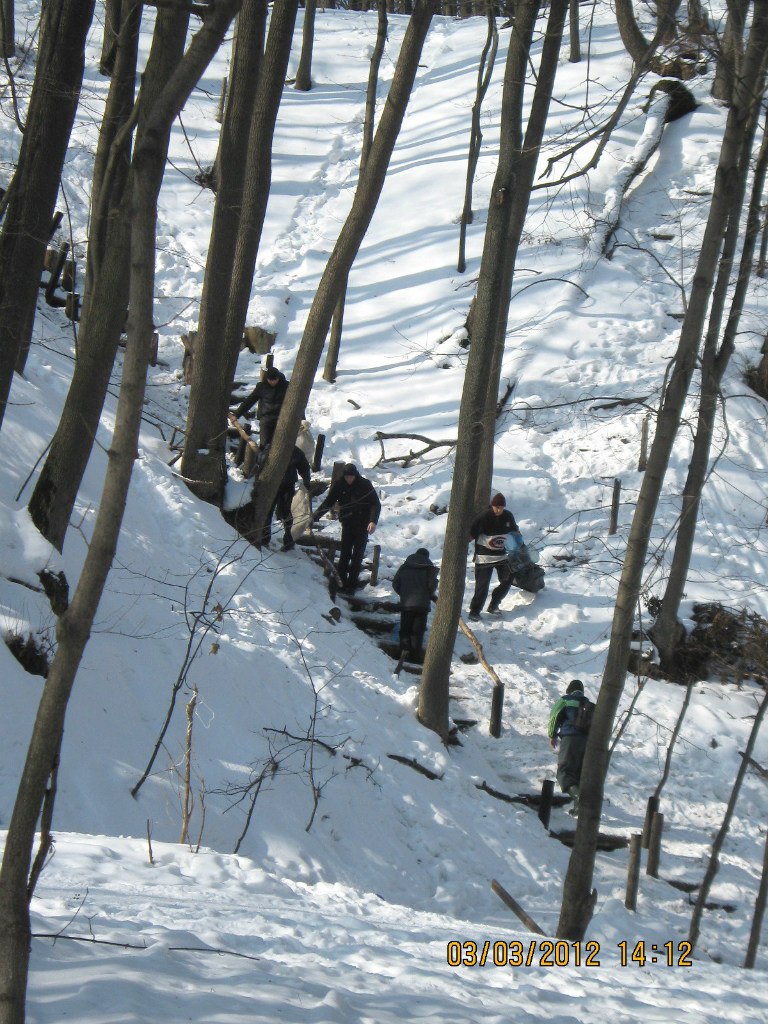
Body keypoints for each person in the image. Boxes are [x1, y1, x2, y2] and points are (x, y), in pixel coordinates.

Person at [314, 463, 381, 593]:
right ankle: (341, 582)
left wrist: (373, 521)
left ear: (355, 475)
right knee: (345, 554)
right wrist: (315, 517)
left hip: (362, 524)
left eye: (351, 477)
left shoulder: (365, 484)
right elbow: (329, 502)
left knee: (357, 556)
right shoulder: (339, 485)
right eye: (347, 477)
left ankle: (352, 585)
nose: (349, 479)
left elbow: (375, 504)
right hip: (347, 523)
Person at [467, 493, 520, 621]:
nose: (499, 510)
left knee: (508, 579)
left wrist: (519, 544)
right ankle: (475, 611)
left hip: (502, 556)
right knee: (482, 585)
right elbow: (471, 534)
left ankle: (494, 604)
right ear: (492, 506)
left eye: (501, 507)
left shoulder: (508, 516)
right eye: (496, 507)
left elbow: (515, 531)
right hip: (484, 557)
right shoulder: (483, 517)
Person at [547, 679, 591, 814]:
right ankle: (581, 808)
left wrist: (552, 735)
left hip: (570, 739)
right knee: (578, 773)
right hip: (587, 742)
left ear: (569, 689)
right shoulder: (588, 704)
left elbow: (554, 716)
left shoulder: (566, 700)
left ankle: (578, 800)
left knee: (564, 772)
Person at [392, 548, 438, 658]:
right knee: (417, 632)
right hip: (422, 606)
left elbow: (395, 583)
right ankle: (414, 656)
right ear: (427, 557)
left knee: (405, 630)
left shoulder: (405, 566)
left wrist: (403, 593)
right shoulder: (429, 569)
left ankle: (403, 654)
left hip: (406, 604)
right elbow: (431, 586)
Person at [266, 445, 312, 551]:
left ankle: (288, 540)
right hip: (272, 484)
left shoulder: (294, 451)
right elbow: (260, 459)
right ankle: (265, 538)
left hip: (287, 485)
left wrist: (306, 480)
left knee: (286, 513)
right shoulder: (273, 447)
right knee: (268, 511)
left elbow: (304, 466)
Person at [232, 366, 289, 449]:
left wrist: (302, 419)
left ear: (278, 378)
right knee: (265, 444)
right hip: (266, 419)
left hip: (281, 418)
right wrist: (237, 414)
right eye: (270, 380)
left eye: (274, 380)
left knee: (280, 445)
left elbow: (295, 403)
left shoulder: (286, 386)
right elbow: (250, 400)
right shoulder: (262, 387)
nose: (272, 382)